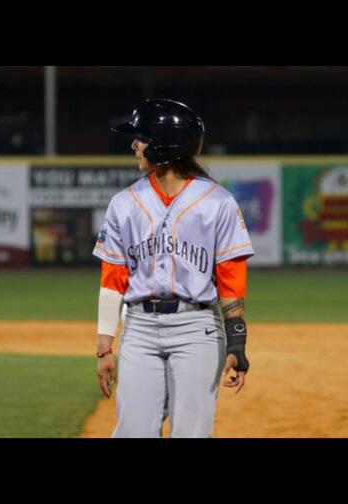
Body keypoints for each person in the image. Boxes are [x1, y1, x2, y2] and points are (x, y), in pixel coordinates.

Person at [93, 98, 254, 438]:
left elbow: (231, 277)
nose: (135, 145)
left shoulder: (217, 202)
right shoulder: (124, 203)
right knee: (133, 432)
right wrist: (105, 345)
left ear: (166, 144)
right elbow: (113, 277)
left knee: (191, 434)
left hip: (197, 329)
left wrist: (237, 341)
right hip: (138, 328)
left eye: (142, 138)